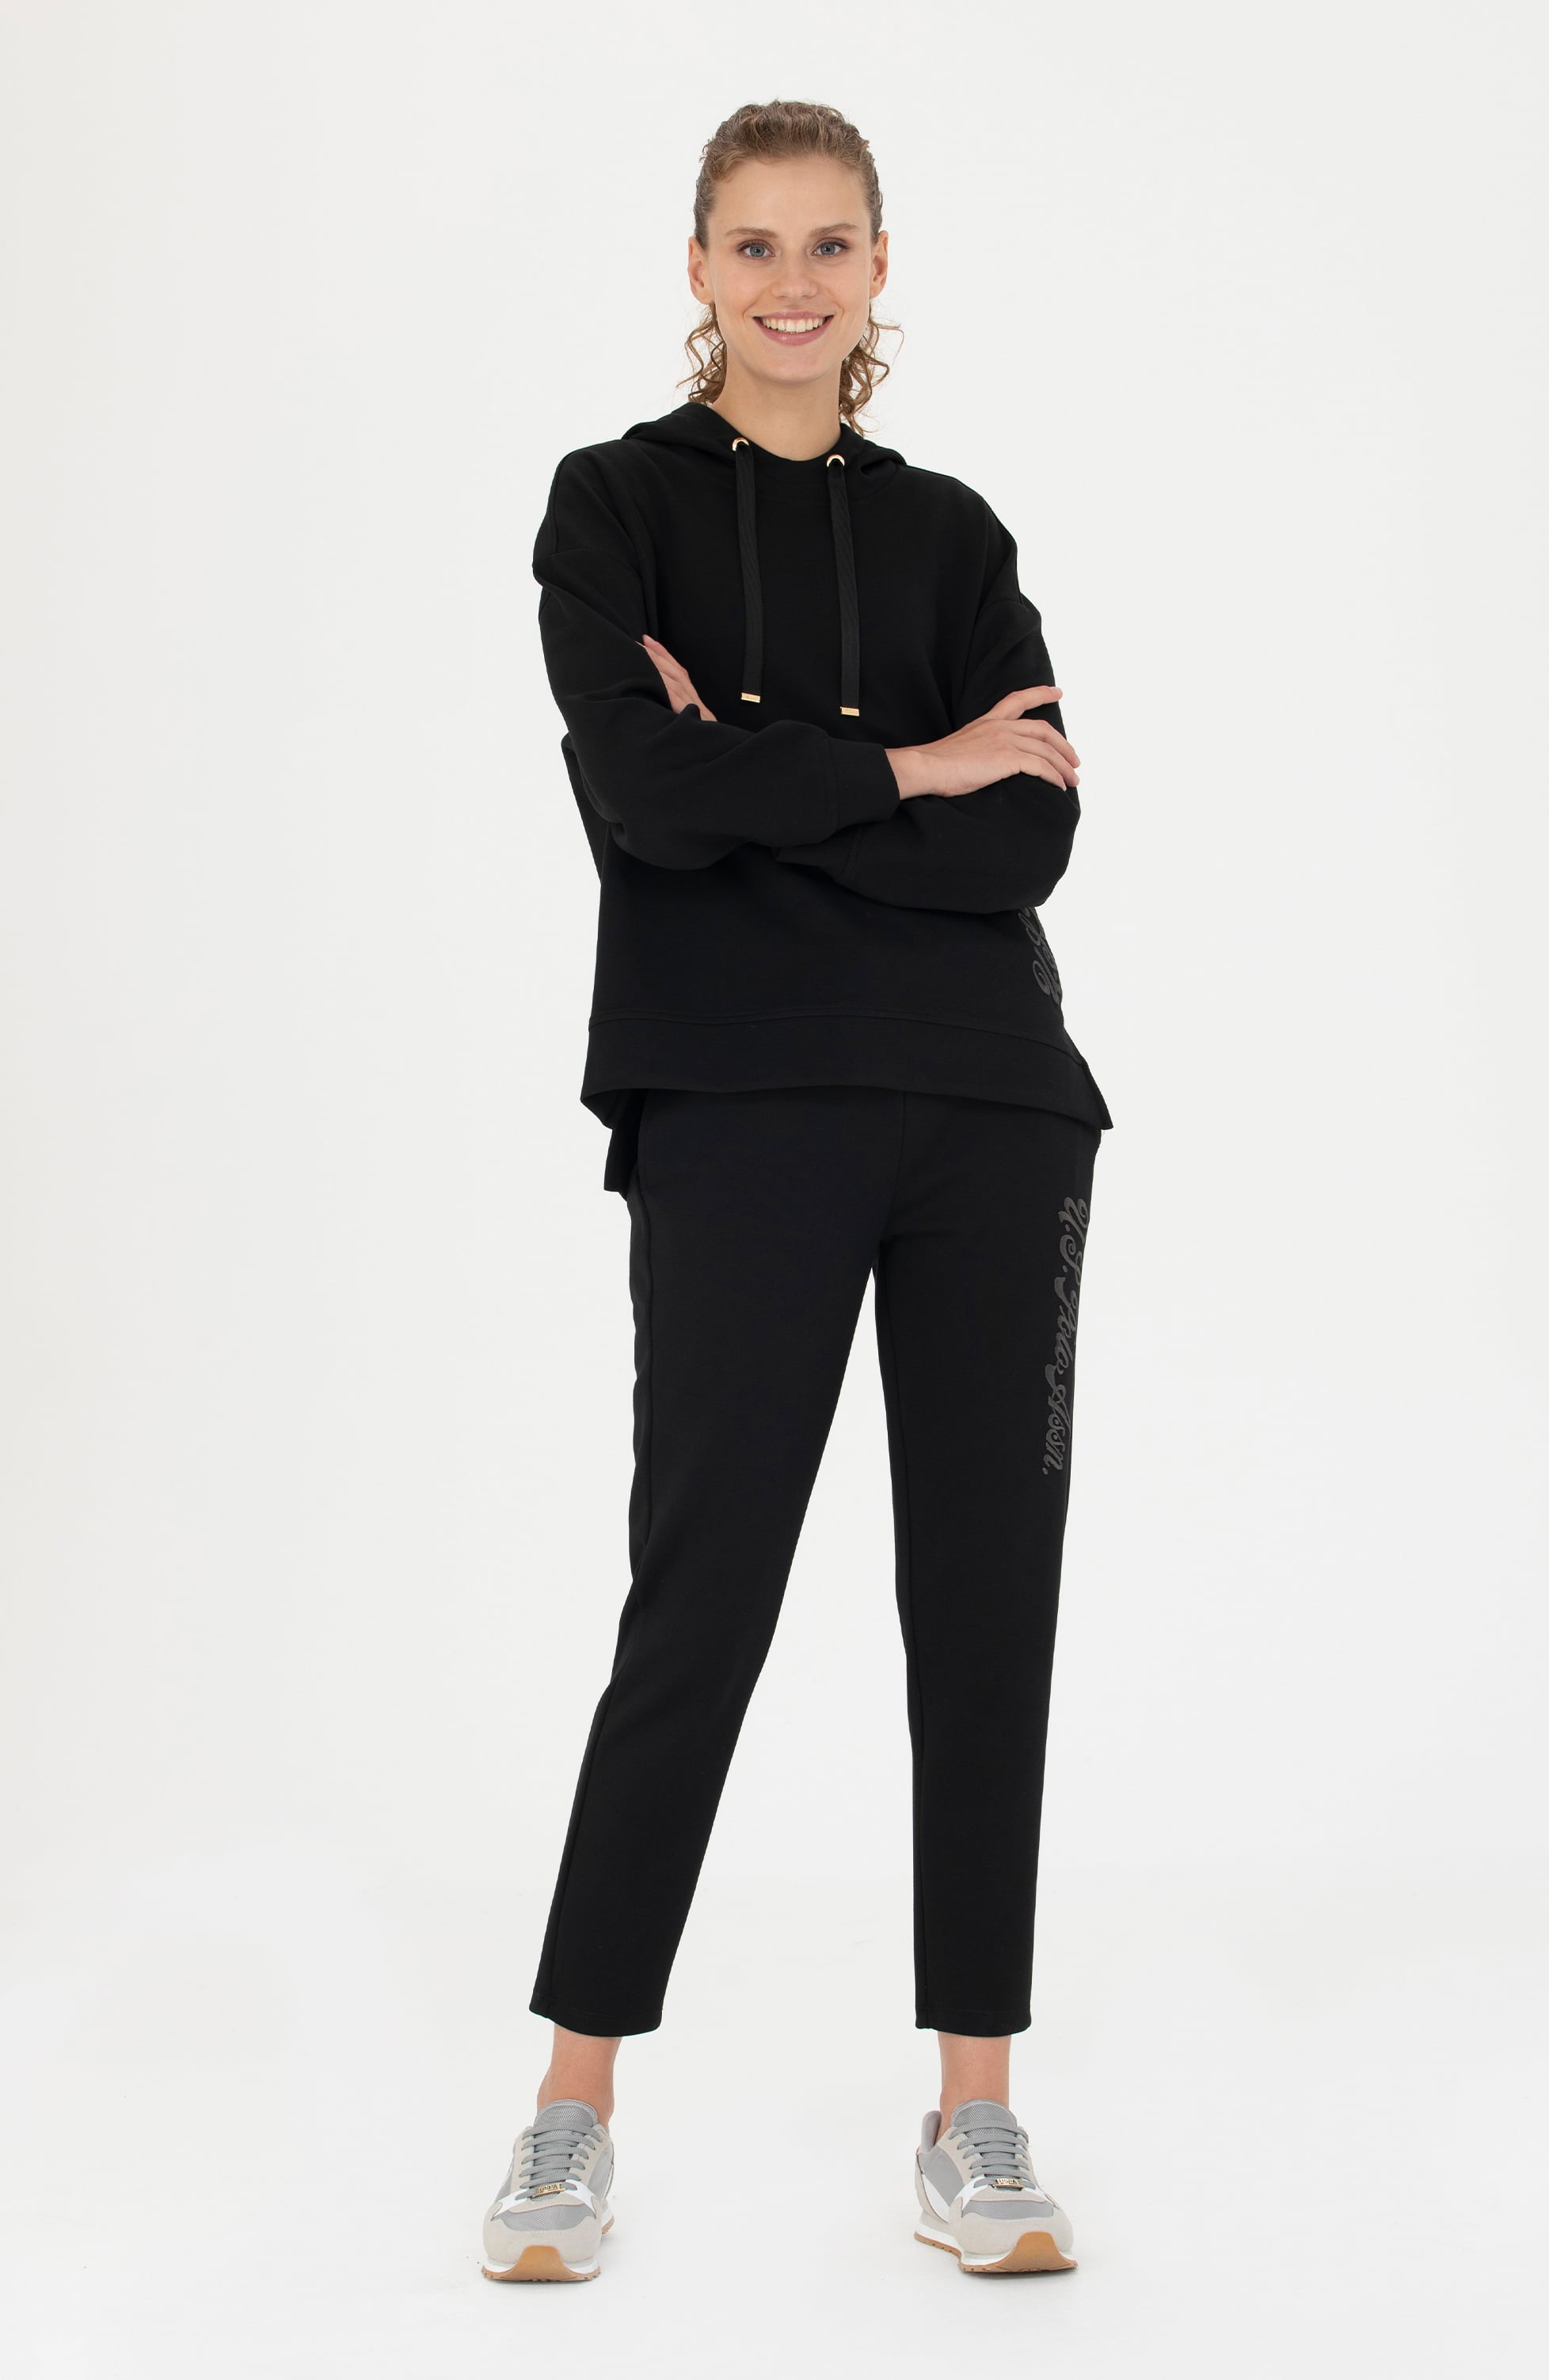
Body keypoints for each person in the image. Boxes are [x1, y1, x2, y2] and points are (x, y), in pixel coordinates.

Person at [481, 98, 1112, 2283]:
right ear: (696, 265)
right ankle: (570, 2109)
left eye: (828, 242)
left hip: (990, 1106)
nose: (790, 282)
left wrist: (768, 773)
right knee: (704, 1590)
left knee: (987, 1596)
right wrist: (909, 766)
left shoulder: (950, 533)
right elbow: (642, 794)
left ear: (876, 267)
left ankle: (974, 2109)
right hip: (737, 1101)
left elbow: (1032, 831)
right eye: (752, 243)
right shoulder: (613, 506)